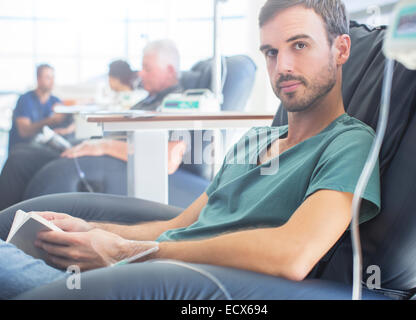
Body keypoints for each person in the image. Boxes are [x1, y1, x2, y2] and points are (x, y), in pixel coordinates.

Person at [0, 0, 381, 299]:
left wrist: (124, 252)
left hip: (168, 284)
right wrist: (93, 231)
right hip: (132, 270)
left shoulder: (348, 143)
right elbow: (177, 227)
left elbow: (293, 256)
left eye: (299, 45)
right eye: (270, 51)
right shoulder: (254, 140)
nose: (282, 66)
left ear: (341, 49)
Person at [0, 41, 187, 211]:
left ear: (169, 71)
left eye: (147, 69)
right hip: (98, 152)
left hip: (109, 162)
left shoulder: (179, 104)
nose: (140, 73)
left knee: (19, 162)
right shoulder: (149, 100)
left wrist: (103, 146)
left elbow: (168, 157)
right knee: (20, 153)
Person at [8, 64, 75, 153]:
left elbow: (72, 123)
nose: (52, 81)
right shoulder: (25, 100)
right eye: (48, 77)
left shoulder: (55, 101)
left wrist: (65, 131)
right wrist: (51, 121)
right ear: (38, 79)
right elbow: (24, 131)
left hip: (43, 147)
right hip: (23, 149)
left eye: (53, 77)